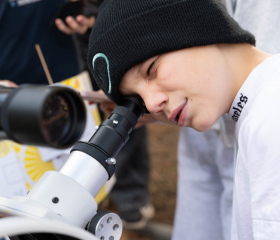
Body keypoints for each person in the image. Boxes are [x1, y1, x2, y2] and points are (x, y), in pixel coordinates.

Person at [87, 0, 280, 239]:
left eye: (151, 69)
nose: (151, 104)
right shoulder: (258, 107)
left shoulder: (271, 119)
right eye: (138, 100)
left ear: (197, 26)